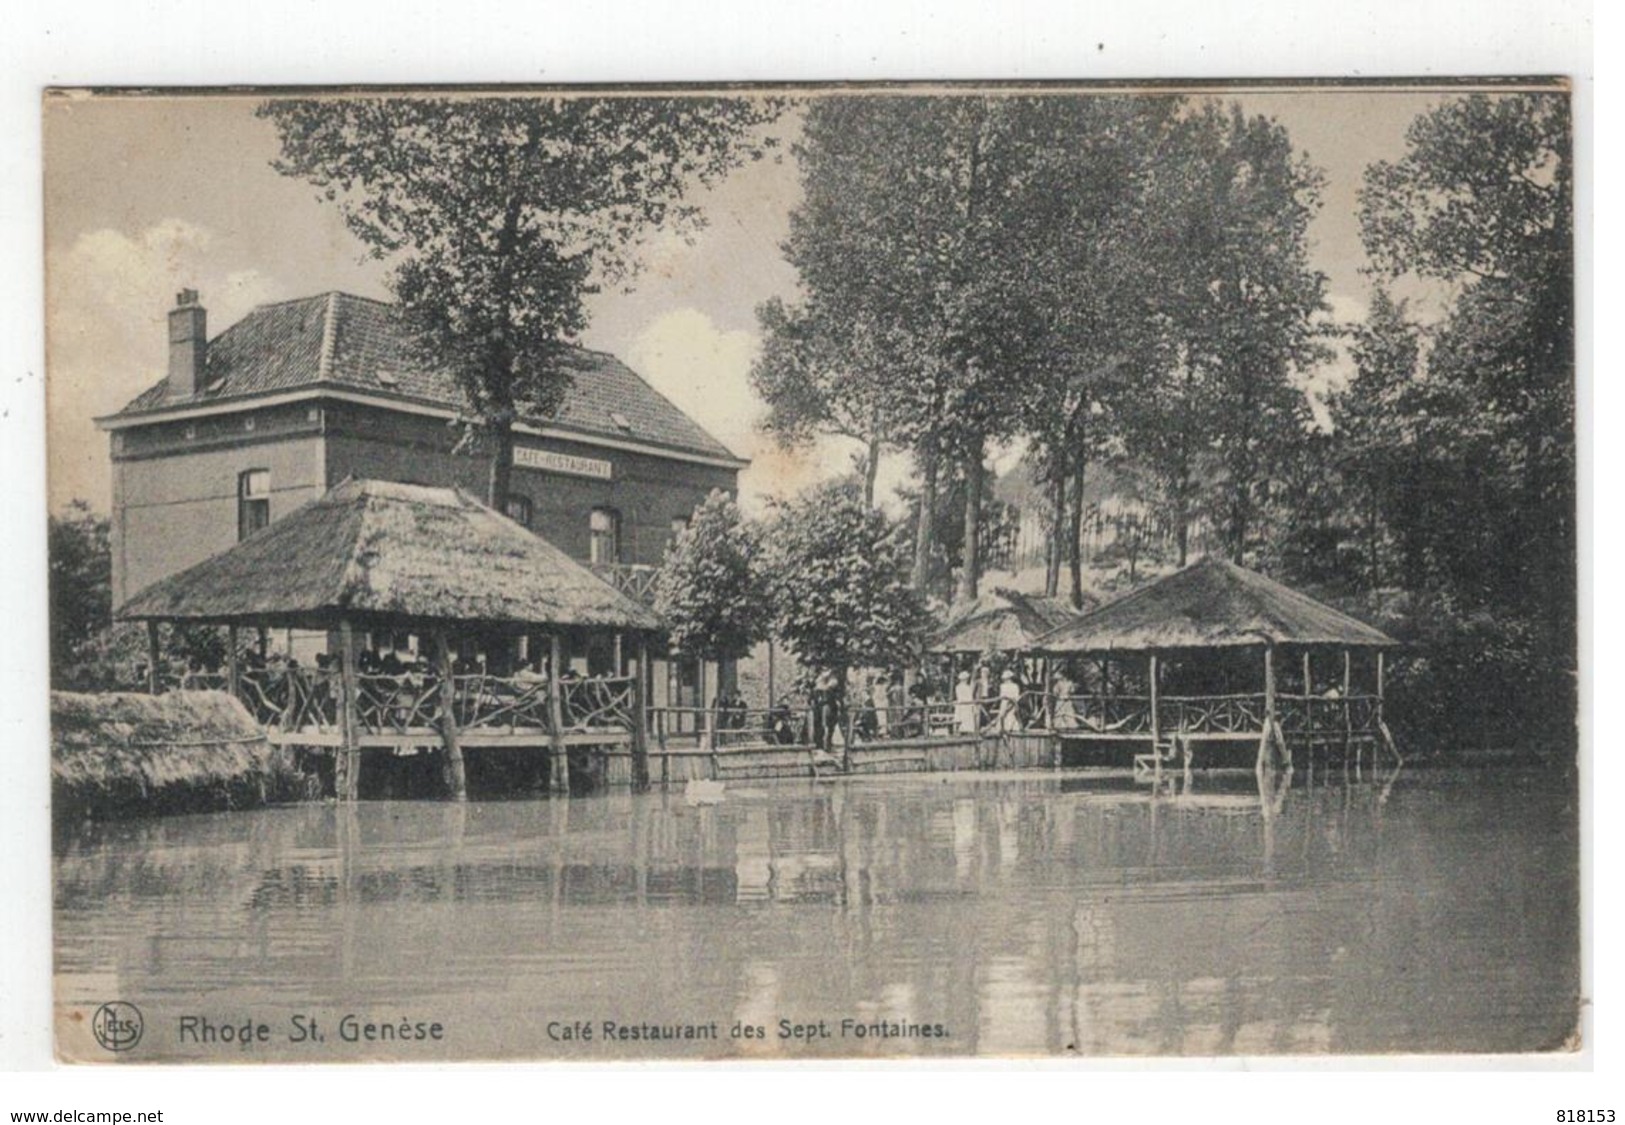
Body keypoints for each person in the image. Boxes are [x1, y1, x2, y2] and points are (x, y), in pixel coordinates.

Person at [997, 668, 1022, 734]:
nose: (1005, 680)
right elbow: (1001, 696)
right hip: (1005, 702)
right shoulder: (1002, 686)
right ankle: (1003, 728)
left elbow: (1016, 695)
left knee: (1011, 714)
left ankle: (1010, 728)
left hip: (1012, 702)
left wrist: (1013, 701)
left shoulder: (1015, 686)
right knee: (1003, 715)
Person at [953, 670, 978, 734]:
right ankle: (965, 732)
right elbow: (970, 698)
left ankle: (959, 732)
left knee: (961, 720)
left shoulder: (957, 687)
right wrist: (973, 706)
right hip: (966, 706)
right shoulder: (967, 688)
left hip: (960, 706)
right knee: (966, 721)